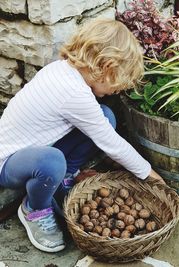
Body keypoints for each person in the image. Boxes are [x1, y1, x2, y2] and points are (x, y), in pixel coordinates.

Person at [0, 19, 165, 253]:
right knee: (52, 161)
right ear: (107, 67)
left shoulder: (63, 70)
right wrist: (151, 176)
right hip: (8, 162)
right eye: (118, 84)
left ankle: (63, 177)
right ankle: (34, 209)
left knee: (105, 116)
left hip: (35, 149)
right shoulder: (74, 94)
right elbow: (113, 145)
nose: (117, 91)